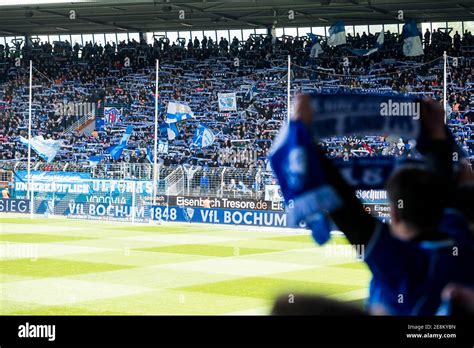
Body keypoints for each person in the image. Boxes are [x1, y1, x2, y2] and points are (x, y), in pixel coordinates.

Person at [289, 95, 474, 315]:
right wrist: (437, 136)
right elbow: (347, 207)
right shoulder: (461, 240)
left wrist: (301, 135)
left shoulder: (400, 263)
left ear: (394, 214)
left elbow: (345, 208)